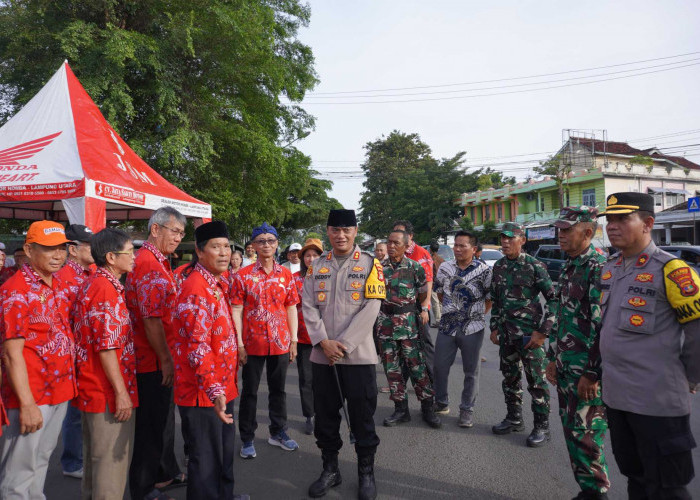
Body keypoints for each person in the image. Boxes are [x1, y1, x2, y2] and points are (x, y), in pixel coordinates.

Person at [596, 192, 700, 499]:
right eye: (609, 220)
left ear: (648, 224)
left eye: (623, 219)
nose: (612, 226)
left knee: (667, 487)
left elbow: (697, 331)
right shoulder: (611, 267)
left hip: (657, 402)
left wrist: (691, 377)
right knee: (635, 476)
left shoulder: (671, 270)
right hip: (617, 398)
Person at [303, 209, 385, 500]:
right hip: (323, 358)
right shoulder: (317, 265)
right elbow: (308, 305)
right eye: (335, 229)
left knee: (362, 417)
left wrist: (344, 344)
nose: (340, 235)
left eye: (346, 229)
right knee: (325, 417)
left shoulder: (370, 264)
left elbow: (372, 307)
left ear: (355, 231)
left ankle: (366, 473)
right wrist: (323, 341)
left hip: (359, 357)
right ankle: (330, 469)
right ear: (328, 232)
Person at [173, 221, 249, 500]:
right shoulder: (196, 288)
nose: (224, 252)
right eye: (215, 247)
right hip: (202, 392)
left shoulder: (218, 281)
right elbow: (197, 346)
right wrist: (214, 389)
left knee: (223, 454)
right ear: (199, 251)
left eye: (227, 246)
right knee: (205, 461)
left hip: (222, 386)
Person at [0, 221, 75, 498]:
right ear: (29, 250)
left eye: (62, 248)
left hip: (58, 391)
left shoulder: (56, 284)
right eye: (49, 249)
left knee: (40, 462)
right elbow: (11, 353)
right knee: (18, 475)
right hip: (31, 396)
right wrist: (27, 403)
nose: (58, 255)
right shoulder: (16, 290)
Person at [545, 207, 610, 499]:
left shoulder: (598, 268)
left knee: (587, 438)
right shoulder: (570, 265)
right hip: (566, 367)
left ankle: (597, 493)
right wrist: (551, 358)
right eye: (559, 229)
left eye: (567, 229)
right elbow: (560, 316)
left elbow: (603, 326)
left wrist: (592, 372)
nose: (560, 235)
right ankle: (587, 491)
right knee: (573, 434)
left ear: (588, 232)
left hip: (586, 372)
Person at [72, 228, 138, 499]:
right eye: (130, 252)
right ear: (111, 257)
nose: (134, 257)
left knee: (97, 465)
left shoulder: (96, 283)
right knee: (111, 469)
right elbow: (107, 347)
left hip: (96, 388)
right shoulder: (104, 289)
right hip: (106, 392)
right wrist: (121, 393)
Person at [126, 206, 186, 500]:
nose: (178, 237)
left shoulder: (158, 261)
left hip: (157, 357)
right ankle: (144, 487)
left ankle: (162, 474)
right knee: (150, 427)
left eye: (182, 233)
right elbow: (151, 319)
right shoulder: (149, 263)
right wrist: (165, 360)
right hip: (151, 361)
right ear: (155, 229)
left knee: (160, 422)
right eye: (174, 231)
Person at [231, 222, 300, 459]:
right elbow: (236, 310)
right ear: (254, 245)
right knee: (249, 391)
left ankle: (278, 431)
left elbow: (291, 307)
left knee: (278, 390)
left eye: (271, 241)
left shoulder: (286, 275)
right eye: (261, 241)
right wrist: (239, 343)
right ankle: (247, 438)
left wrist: (293, 340)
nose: (267, 245)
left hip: (280, 341)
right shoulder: (242, 276)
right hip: (252, 343)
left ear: (277, 243)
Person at [490, 222, 556, 447]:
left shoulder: (534, 266)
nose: (506, 242)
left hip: (530, 337)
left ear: (522, 240)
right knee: (510, 380)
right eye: (503, 238)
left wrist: (543, 332)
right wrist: (494, 327)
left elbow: (554, 299)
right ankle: (514, 418)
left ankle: (542, 426)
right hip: (507, 336)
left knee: (536, 382)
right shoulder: (499, 266)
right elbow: (496, 301)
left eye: (511, 238)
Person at [377, 230, 441, 429]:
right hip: (385, 325)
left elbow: (423, 294)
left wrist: (417, 310)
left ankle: (428, 408)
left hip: (409, 327)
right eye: (389, 242)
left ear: (406, 246)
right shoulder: (378, 268)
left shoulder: (414, 267)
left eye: (396, 243)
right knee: (392, 369)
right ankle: (400, 409)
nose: (391, 246)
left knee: (417, 367)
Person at [433, 231, 492, 428]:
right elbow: (440, 293)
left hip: (472, 328)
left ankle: (466, 410)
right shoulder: (445, 268)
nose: (457, 249)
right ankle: (441, 402)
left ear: (474, 249)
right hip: (447, 327)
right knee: (440, 366)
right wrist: (453, 310)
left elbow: (489, 298)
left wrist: (475, 314)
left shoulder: (484, 271)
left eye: (462, 246)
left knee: (471, 371)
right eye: (455, 246)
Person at [57, 224, 95, 480]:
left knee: (81, 411)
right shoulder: (63, 279)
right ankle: (71, 462)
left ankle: (79, 457)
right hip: (71, 356)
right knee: (73, 414)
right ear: (73, 249)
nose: (95, 250)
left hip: (86, 355)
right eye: (89, 245)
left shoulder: (87, 273)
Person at [391, 221, 435, 379]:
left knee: (424, 344)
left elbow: (428, 283)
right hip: (398, 308)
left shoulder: (421, 253)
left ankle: (434, 381)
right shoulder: (395, 253)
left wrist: (424, 308)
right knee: (401, 346)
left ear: (410, 236)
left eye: (400, 233)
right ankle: (400, 382)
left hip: (417, 307)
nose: (396, 238)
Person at [293, 238, 324, 435]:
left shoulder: (329, 276)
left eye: (315, 255)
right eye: (307, 255)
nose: (311, 259)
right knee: (306, 379)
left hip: (326, 337)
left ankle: (323, 413)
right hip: (304, 337)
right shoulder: (295, 279)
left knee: (324, 380)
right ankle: (309, 415)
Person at [428, 241, 444, 327]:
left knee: (435, 303)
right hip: (442, 283)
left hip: (434, 283)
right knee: (440, 302)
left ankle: (438, 321)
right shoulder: (441, 259)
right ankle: (442, 319)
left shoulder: (430, 259)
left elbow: (431, 272)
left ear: (430, 249)